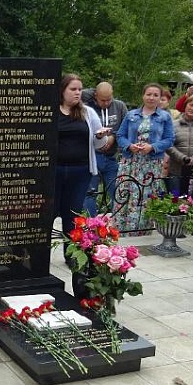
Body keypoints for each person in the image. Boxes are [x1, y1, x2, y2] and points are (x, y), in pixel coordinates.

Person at [55, 74, 108, 255]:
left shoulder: (87, 113)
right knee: (51, 211)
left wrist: (101, 136)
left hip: (80, 171)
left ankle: (71, 254)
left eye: (80, 89)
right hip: (55, 170)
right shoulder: (50, 112)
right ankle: (41, 256)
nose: (78, 93)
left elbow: (100, 144)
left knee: (73, 214)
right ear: (62, 91)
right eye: (73, 89)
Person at [113, 83, 175, 234]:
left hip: (151, 165)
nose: (151, 98)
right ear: (143, 96)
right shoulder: (131, 115)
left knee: (145, 197)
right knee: (125, 195)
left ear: (161, 98)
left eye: (155, 95)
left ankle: (142, 232)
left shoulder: (164, 117)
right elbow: (120, 135)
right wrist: (129, 145)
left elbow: (170, 139)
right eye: (148, 94)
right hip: (130, 163)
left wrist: (153, 147)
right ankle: (120, 230)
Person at [84, 82, 128, 216]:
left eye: (109, 99)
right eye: (102, 100)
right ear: (95, 95)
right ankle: (90, 224)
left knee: (116, 191)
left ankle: (118, 221)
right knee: (90, 192)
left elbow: (125, 127)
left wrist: (113, 137)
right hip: (92, 156)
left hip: (111, 157)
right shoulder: (87, 107)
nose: (106, 103)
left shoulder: (120, 106)